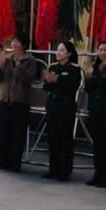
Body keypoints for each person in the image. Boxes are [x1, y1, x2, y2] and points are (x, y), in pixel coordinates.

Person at [0, 36, 39, 171]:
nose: (13, 44)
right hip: (4, 100)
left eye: (17, 42)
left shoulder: (30, 60)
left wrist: (19, 66)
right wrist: (0, 65)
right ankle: (3, 160)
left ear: (23, 45)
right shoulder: (8, 59)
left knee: (17, 134)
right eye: (13, 42)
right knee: (3, 132)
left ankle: (15, 163)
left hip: (20, 101)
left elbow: (29, 79)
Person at [43, 41, 83, 181]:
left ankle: (64, 171)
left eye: (61, 50)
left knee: (65, 139)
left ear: (69, 53)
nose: (58, 53)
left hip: (66, 106)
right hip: (53, 105)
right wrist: (48, 82)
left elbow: (72, 87)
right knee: (52, 138)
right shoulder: (52, 66)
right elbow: (46, 88)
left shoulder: (75, 68)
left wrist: (57, 81)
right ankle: (53, 168)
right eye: (58, 50)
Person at [84, 41, 106, 188]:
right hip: (95, 110)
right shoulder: (96, 67)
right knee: (97, 145)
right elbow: (89, 89)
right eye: (100, 49)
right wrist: (89, 74)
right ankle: (97, 174)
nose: (102, 53)